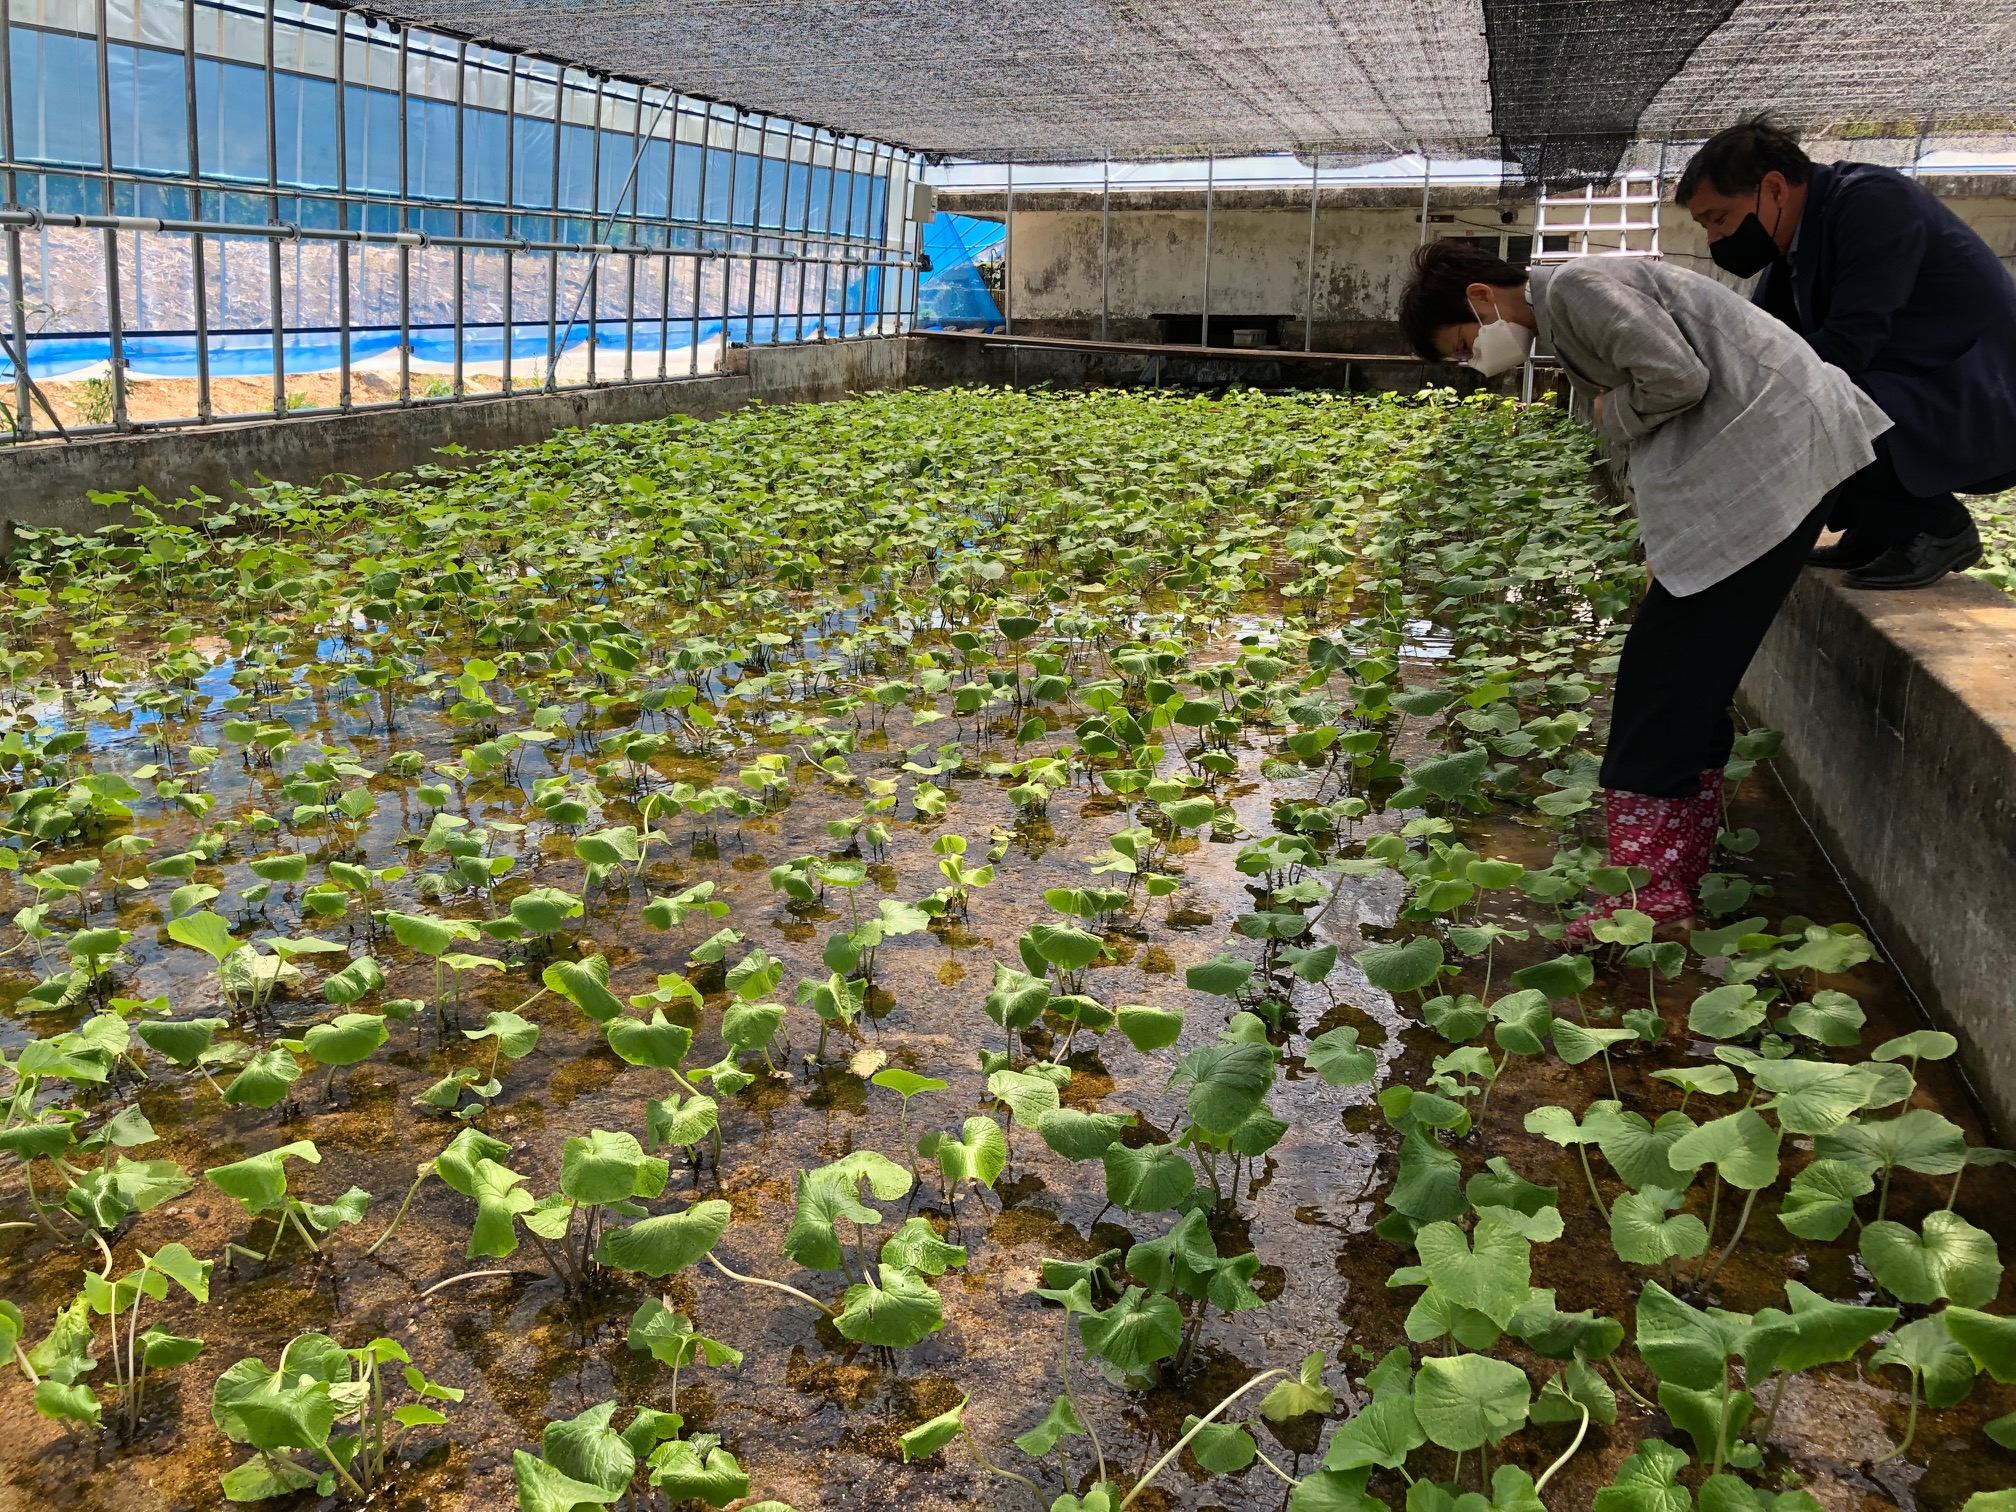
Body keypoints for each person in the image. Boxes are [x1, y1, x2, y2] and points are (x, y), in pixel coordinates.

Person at [1398, 240, 1891, 935]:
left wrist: (1611, 413)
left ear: (1480, 298)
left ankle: (1648, 894)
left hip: (1779, 458)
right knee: (1688, 680)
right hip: (1765, 463)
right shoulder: (1567, 317)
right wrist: (1664, 539)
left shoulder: (1576, 288)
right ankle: (1674, 873)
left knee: (1659, 682)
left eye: (1462, 345)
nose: (1475, 360)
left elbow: (1676, 379)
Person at [1679, 113, 2016, 589]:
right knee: (1789, 390)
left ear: (1773, 189)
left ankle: (1936, 526)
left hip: (1979, 396)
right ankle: (1880, 526)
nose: (1714, 239)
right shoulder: (1797, 242)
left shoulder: (1873, 203)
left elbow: (1847, 345)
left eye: (1718, 219)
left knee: (1811, 397)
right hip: (1920, 388)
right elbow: (1758, 344)